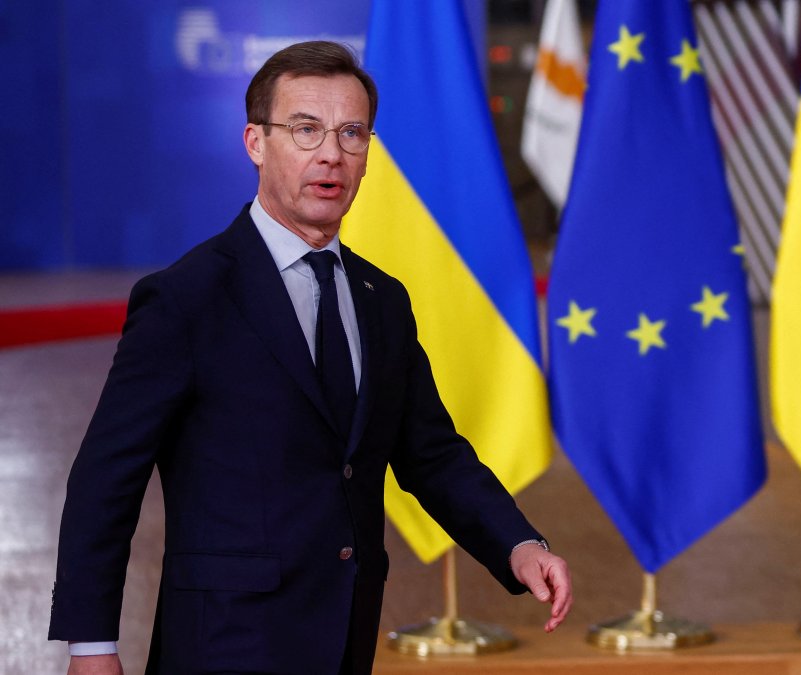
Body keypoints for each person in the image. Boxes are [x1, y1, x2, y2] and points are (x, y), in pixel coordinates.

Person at [48, 40, 572, 675]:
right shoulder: (185, 298)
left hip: (346, 639)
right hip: (223, 645)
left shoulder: (383, 299)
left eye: (352, 133)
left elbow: (430, 452)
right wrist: (92, 645)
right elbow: (107, 477)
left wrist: (517, 544)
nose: (331, 153)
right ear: (255, 143)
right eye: (305, 129)